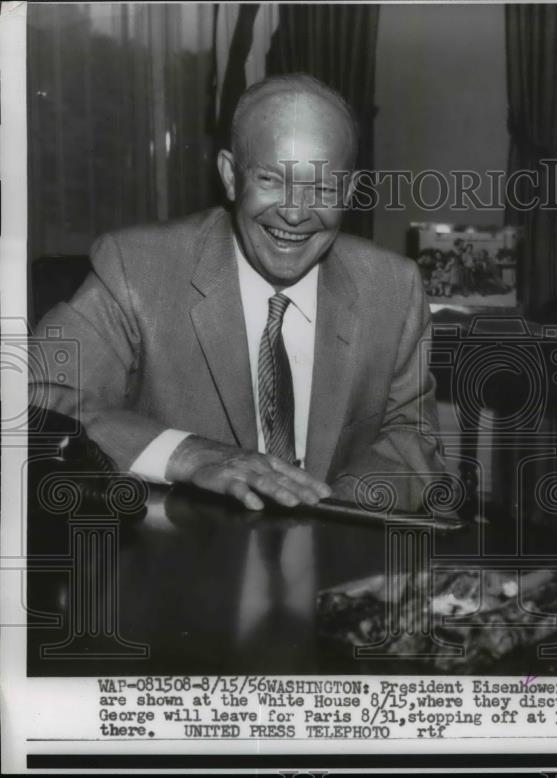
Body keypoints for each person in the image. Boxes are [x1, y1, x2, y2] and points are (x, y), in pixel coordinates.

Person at [31, 74, 445, 513]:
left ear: (349, 191)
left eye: (323, 188)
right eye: (270, 179)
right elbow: (32, 395)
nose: (294, 213)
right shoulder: (135, 266)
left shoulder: (393, 288)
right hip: (178, 564)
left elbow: (411, 437)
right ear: (230, 176)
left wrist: (327, 509)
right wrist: (190, 455)